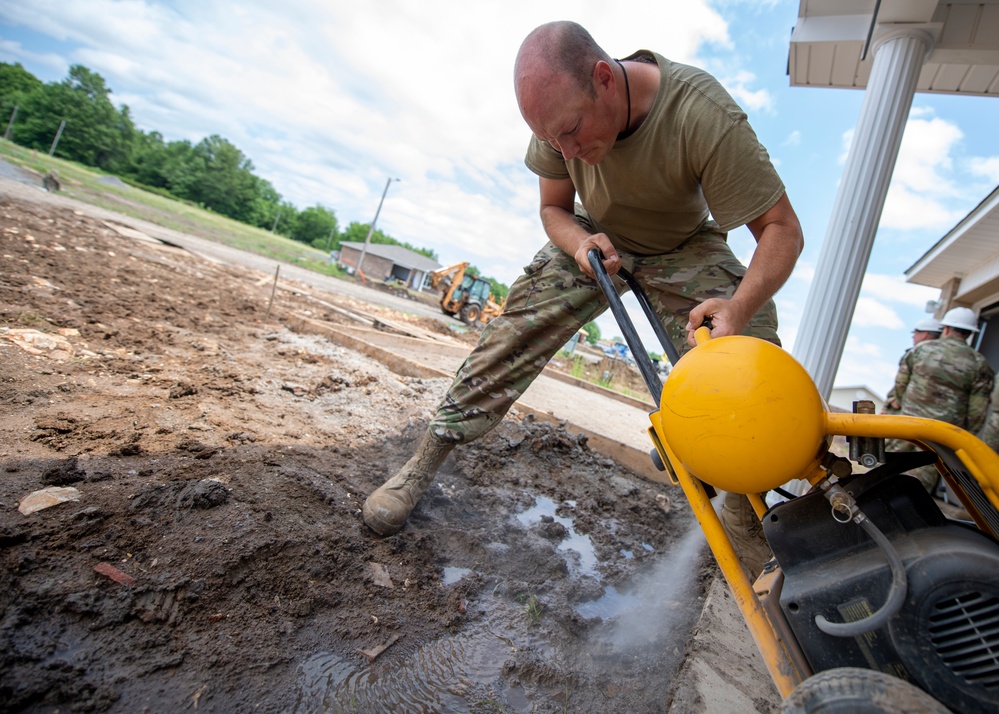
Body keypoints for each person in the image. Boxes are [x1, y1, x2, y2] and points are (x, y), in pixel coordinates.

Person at [362, 21, 804, 577]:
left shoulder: (700, 111)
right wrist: (578, 242)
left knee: (748, 360)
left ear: (604, 79)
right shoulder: (554, 119)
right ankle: (423, 464)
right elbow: (553, 208)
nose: (569, 151)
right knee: (510, 331)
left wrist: (736, 308)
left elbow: (781, 229)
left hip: (684, 247)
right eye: (553, 142)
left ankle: (741, 505)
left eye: (572, 131)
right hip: (595, 238)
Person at [887, 307, 995, 493]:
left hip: (905, 425)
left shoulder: (921, 350)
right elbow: (977, 412)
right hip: (939, 436)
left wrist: (902, 408)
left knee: (886, 471)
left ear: (945, 329)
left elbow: (900, 387)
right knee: (921, 483)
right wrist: (959, 435)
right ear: (969, 333)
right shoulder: (979, 364)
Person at [882, 317, 943, 415]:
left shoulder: (916, 354)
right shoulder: (944, 356)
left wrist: (894, 402)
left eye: (915, 333)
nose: (913, 336)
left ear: (924, 334)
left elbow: (901, 383)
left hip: (907, 411)